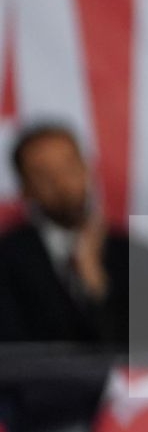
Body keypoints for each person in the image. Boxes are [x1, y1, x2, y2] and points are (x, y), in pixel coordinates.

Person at [0, 122, 134, 345]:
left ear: (86, 169)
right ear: (25, 188)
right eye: (44, 174)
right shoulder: (8, 259)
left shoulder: (130, 253)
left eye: (68, 167)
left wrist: (97, 287)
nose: (61, 183)